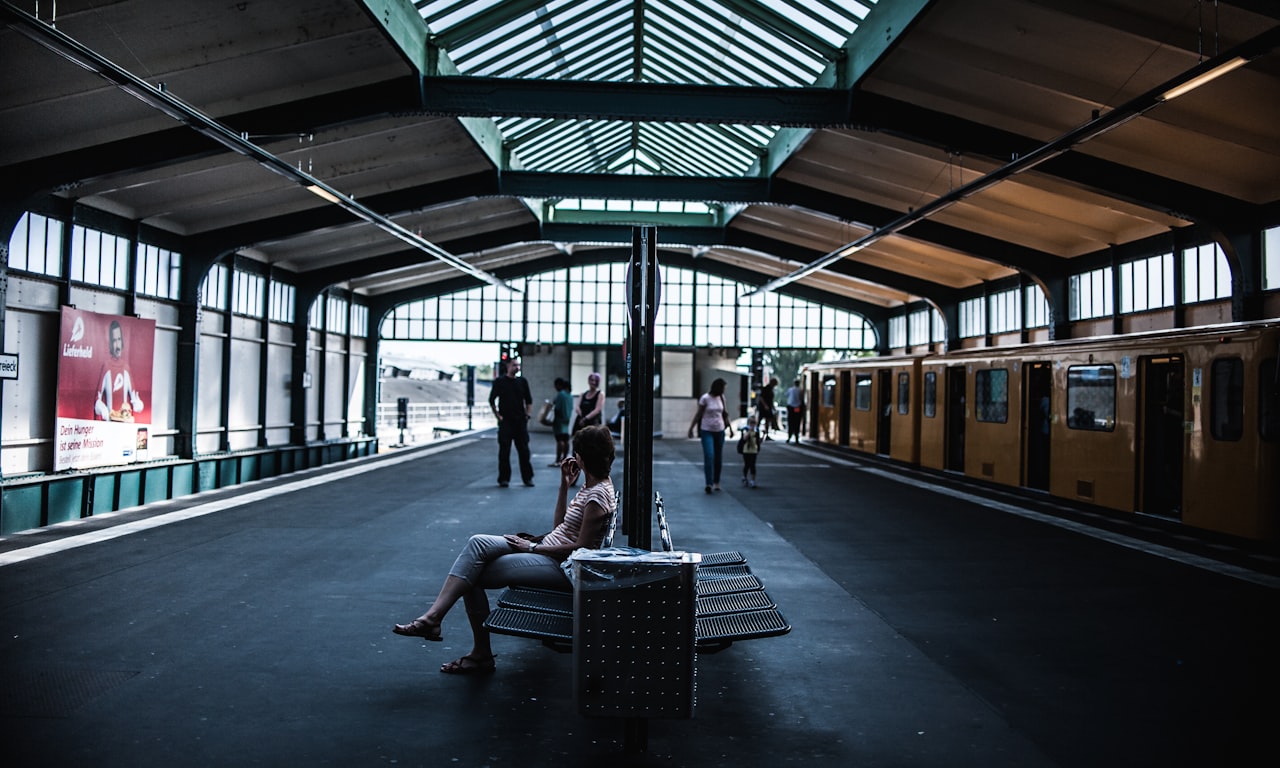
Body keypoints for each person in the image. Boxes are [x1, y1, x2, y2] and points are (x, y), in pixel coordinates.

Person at [392, 425, 617, 674]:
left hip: (561, 566)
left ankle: (475, 650)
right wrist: (564, 485)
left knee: (473, 574)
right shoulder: (592, 486)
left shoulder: (597, 495)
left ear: (582, 457)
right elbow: (562, 527)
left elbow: (582, 549)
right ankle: (434, 619)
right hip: (548, 550)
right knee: (478, 543)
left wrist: (531, 547)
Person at [488, 359, 534, 487]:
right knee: (504, 451)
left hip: (520, 422)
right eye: (514, 365)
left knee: (524, 451)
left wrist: (527, 415)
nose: (517, 367)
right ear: (508, 366)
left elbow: (529, 400)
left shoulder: (522, 382)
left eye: (518, 365)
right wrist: (498, 416)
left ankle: (527, 478)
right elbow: (492, 400)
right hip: (506, 421)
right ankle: (504, 479)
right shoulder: (500, 382)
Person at [688, 377, 734, 493]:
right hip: (706, 430)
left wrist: (731, 429)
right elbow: (699, 414)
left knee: (718, 457)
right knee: (709, 455)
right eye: (723, 388)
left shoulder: (722, 398)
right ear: (718, 387)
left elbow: (725, 414)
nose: (724, 390)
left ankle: (716, 481)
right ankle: (709, 483)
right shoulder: (705, 398)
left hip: (720, 430)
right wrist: (691, 428)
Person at [94, 319, 144, 422]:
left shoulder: (126, 368)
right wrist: (103, 410)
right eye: (114, 341)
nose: (117, 345)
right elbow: (97, 399)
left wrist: (139, 404)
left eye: (119, 339)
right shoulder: (106, 366)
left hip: (125, 425)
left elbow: (135, 399)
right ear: (110, 344)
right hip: (109, 424)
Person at [550, 377, 574, 466]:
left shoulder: (561, 394)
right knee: (566, 439)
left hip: (559, 420)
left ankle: (558, 459)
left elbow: (557, 408)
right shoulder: (570, 396)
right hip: (567, 419)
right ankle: (564, 458)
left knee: (559, 440)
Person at [738, 413, 762, 488]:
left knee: (752, 465)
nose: (753, 424)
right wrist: (749, 431)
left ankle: (753, 480)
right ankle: (745, 476)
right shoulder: (746, 429)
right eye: (751, 422)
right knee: (747, 464)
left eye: (754, 422)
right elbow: (744, 438)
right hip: (746, 450)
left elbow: (758, 441)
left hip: (754, 450)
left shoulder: (757, 430)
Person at [784, 377, 805, 443]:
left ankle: (789, 436)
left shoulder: (790, 389)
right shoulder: (800, 390)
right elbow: (801, 399)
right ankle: (796, 437)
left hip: (791, 407)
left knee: (790, 422)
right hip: (797, 408)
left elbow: (786, 395)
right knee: (797, 422)